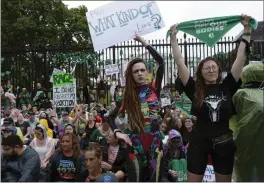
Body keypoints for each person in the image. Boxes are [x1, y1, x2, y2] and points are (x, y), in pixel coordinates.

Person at [169, 14, 252, 182]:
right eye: (207, 68)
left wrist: (247, 30)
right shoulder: (194, 88)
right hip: (199, 144)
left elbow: (240, 59)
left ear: (219, 70)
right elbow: (179, 62)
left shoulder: (227, 85)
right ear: (201, 72)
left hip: (224, 143)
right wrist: (173, 37)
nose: (211, 70)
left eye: (214, 67)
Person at [108, 34, 164, 182]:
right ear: (131, 75)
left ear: (146, 71)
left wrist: (144, 42)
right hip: (135, 143)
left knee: (155, 179)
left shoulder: (154, 89)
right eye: (135, 71)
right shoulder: (127, 97)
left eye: (142, 70)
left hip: (155, 141)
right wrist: (118, 132)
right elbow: (110, 117)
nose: (139, 73)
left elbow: (161, 62)